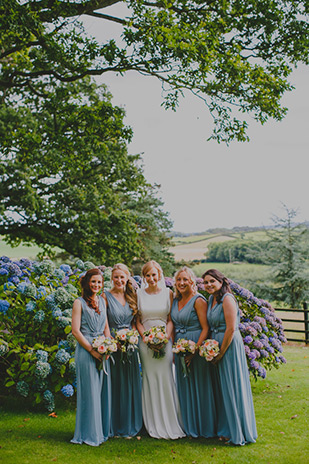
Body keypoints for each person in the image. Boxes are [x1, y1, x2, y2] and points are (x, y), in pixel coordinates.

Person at [202, 268, 257, 446]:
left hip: (229, 345)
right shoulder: (211, 299)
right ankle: (225, 429)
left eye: (212, 281)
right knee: (221, 389)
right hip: (215, 344)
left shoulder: (227, 299)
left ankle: (237, 431)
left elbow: (231, 328)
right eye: (206, 282)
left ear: (221, 281)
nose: (209, 285)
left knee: (232, 386)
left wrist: (221, 352)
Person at [136, 260, 185, 439]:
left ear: (160, 274)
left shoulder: (168, 293)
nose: (151, 278)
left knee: (166, 377)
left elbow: (171, 319)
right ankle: (151, 422)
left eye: (153, 275)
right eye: (147, 275)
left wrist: (165, 337)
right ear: (144, 277)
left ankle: (171, 421)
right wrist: (146, 338)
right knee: (149, 379)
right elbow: (137, 321)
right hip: (145, 343)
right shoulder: (138, 294)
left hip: (165, 340)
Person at [171, 266, 216, 438]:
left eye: (185, 279)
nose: (182, 283)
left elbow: (206, 328)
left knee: (200, 386)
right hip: (179, 347)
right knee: (185, 386)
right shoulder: (175, 300)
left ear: (191, 281)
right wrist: (176, 349)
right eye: (179, 280)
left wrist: (194, 351)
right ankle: (189, 427)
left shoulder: (198, 301)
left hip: (195, 345)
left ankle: (205, 428)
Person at [71, 268, 111, 446]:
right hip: (86, 350)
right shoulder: (78, 303)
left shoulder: (103, 300)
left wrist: (108, 347)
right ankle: (87, 433)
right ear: (87, 282)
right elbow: (75, 331)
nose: (96, 285)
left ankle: (100, 430)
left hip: (103, 349)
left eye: (99, 282)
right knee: (90, 392)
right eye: (93, 281)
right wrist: (91, 350)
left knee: (101, 391)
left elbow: (106, 327)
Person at [105, 263, 142, 438]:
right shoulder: (105, 297)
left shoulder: (132, 297)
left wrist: (132, 336)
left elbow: (134, 322)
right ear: (112, 278)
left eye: (122, 277)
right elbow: (104, 322)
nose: (119, 280)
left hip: (131, 345)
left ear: (128, 278)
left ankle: (130, 424)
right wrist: (113, 341)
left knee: (130, 383)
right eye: (116, 277)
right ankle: (114, 425)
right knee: (115, 384)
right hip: (113, 345)